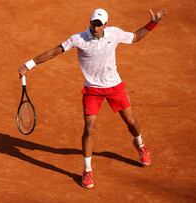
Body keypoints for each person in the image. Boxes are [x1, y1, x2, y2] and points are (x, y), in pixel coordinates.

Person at [18, 8, 167, 189]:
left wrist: (153, 23)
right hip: (92, 90)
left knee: (131, 121)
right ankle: (87, 170)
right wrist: (29, 64)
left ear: (105, 25)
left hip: (114, 86)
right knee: (89, 128)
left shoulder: (114, 34)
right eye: (93, 23)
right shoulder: (79, 39)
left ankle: (140, 143)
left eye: (98, 24)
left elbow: (135, 37)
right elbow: (55, 51)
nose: (95, 27)